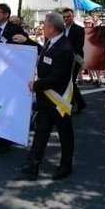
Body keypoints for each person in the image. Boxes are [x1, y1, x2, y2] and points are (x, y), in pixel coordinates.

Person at [13, 13, 75, 181]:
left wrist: (36, 85)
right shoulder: (52, 42)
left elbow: (56, 77)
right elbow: (42, 53)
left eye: (44, 25)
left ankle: (66, 165)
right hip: (46, 98)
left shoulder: (65, 48)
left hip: (59, 100)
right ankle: (32, 165)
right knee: (41, 132)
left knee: (65, 134)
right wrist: (26, 40)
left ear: (51, 28)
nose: (41, 27)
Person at [0, 3, 35, 153]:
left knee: (7, 106)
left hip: (11, 74)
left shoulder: (14, 28)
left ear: (6, 15)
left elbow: (27, 47)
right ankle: (0, 136)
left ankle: (7, 139)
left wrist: (24, 40)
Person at [61, 8, 87, 113]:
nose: (66, 19)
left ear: (73, 16)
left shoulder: (79, 29)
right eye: (64, 17)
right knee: (69, 82)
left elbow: (78, 46)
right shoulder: (61, 29)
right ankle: (80, 103)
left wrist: (67, 52)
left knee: (70, 81)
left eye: (68, 16)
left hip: (75, 59)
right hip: (64, 59)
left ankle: (70, 106)